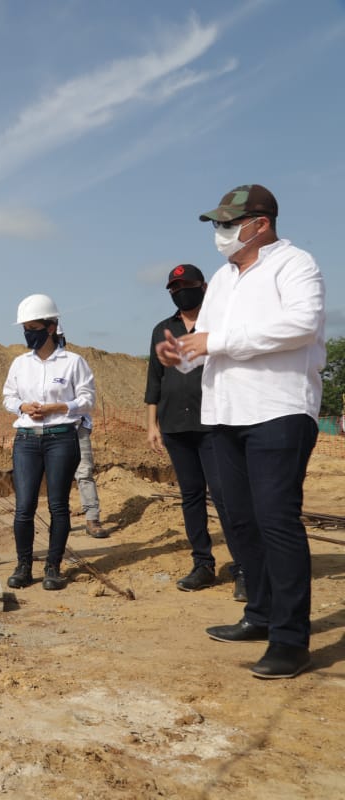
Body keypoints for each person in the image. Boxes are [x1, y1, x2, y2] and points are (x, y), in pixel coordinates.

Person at [158, 184, 325, 679]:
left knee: (277, 519)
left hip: (278, 409)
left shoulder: (295, 265)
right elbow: (206, 345)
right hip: (224, 413)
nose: (221, 234)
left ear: (261, 223)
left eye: (229, 224)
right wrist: (182, 355)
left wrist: (216, 341)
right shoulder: (224, 281)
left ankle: (291, 639)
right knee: (239, 520)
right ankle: (260, 614)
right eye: (217, 225)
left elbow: (300, 325)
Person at [145, 264, 237, 596]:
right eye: (174, 288)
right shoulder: (162, 329)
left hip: (215, 424)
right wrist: (152, 424)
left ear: (203, 286)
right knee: (192, 496)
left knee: (226, 497)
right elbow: (154, 378)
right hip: (174, 426)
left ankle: (243, 567)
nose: (180, 292)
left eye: (186, 285)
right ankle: (203, 565)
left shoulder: (219, 324)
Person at [2, 294, 95, 591]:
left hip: (61, 438)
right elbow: (8, 396)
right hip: (27, 439)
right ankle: (24, 565)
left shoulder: (73, 362)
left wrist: (58, 407)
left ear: (51, 327)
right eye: (25, 328)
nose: (29, 333)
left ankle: (53, 567)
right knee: (24, 506)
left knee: (58, 505)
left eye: (34, 326)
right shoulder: (19, 363)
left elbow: (87, 399)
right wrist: (21, 407)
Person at [74, 416, 108, 539]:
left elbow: (86, 398)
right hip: (51, 428)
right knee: (58, 475)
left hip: (78, 425)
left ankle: (92, 519)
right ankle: (59, 519)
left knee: (85, 472)